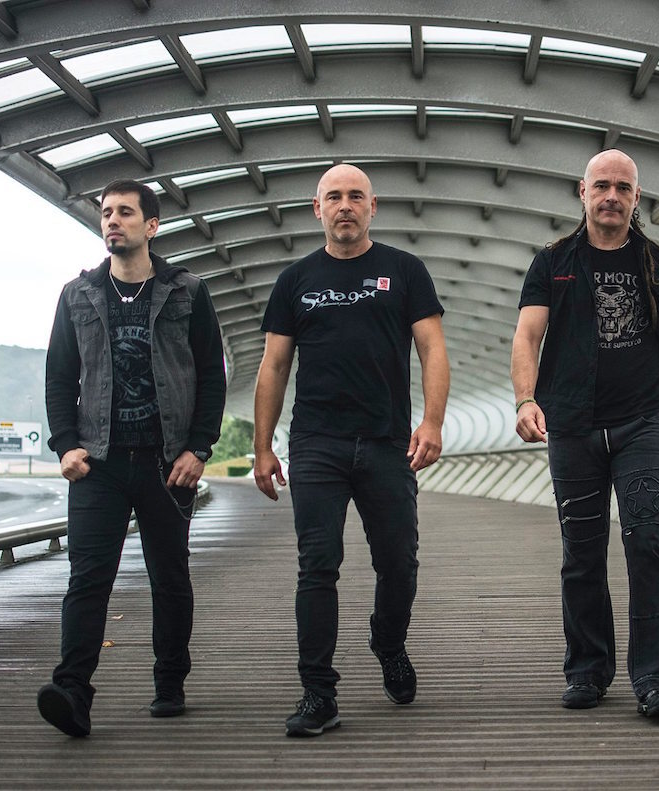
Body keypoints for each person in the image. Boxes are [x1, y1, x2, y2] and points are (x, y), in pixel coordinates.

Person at [510, 149, 659, 718]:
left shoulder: (658, 266)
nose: (611, 196)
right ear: (582, 192)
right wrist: (526, 399)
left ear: (636, 198)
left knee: (648, 543)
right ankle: (587, 671)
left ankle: (658, 678)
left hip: (643, 423)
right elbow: (527, 336)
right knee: (581, 552)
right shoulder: (553, 262)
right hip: (571, 425)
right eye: (601, 185)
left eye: (622, 188)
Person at [253, 164, 450, 737]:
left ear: (372, 207)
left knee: (399, 562)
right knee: (317, 565)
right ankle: (318, 694)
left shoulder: (404, 270)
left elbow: (432, 350)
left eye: (356, 196)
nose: (345, 205)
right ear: (317, 209)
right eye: (334, 197)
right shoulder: (295, 280)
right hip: (316, 443)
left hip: (387, 441)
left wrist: (432, 421)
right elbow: (274, 366)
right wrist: (263, 447)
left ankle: (388, 642)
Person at [39, 179, 226, 736]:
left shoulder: (187, 291)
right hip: (98, 463)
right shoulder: (77, 295)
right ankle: (72, 691)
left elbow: (211, 375)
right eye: (106, 213)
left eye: (124, 212)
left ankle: (169, 682)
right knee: (87, 579)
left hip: (167, 463)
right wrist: (65, 444)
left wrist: (198, 447)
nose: (112, 221)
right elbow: (59, 377)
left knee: (169, 576)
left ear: (152, 225)